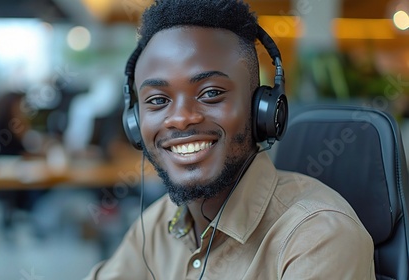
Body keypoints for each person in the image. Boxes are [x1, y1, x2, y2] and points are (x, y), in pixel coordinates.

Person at [85, 0, 375, 279]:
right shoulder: (159, 223)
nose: (181, 117)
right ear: (135, 123)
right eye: (158, 100)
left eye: (211, 93)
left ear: (261, 109)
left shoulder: (319, 236)